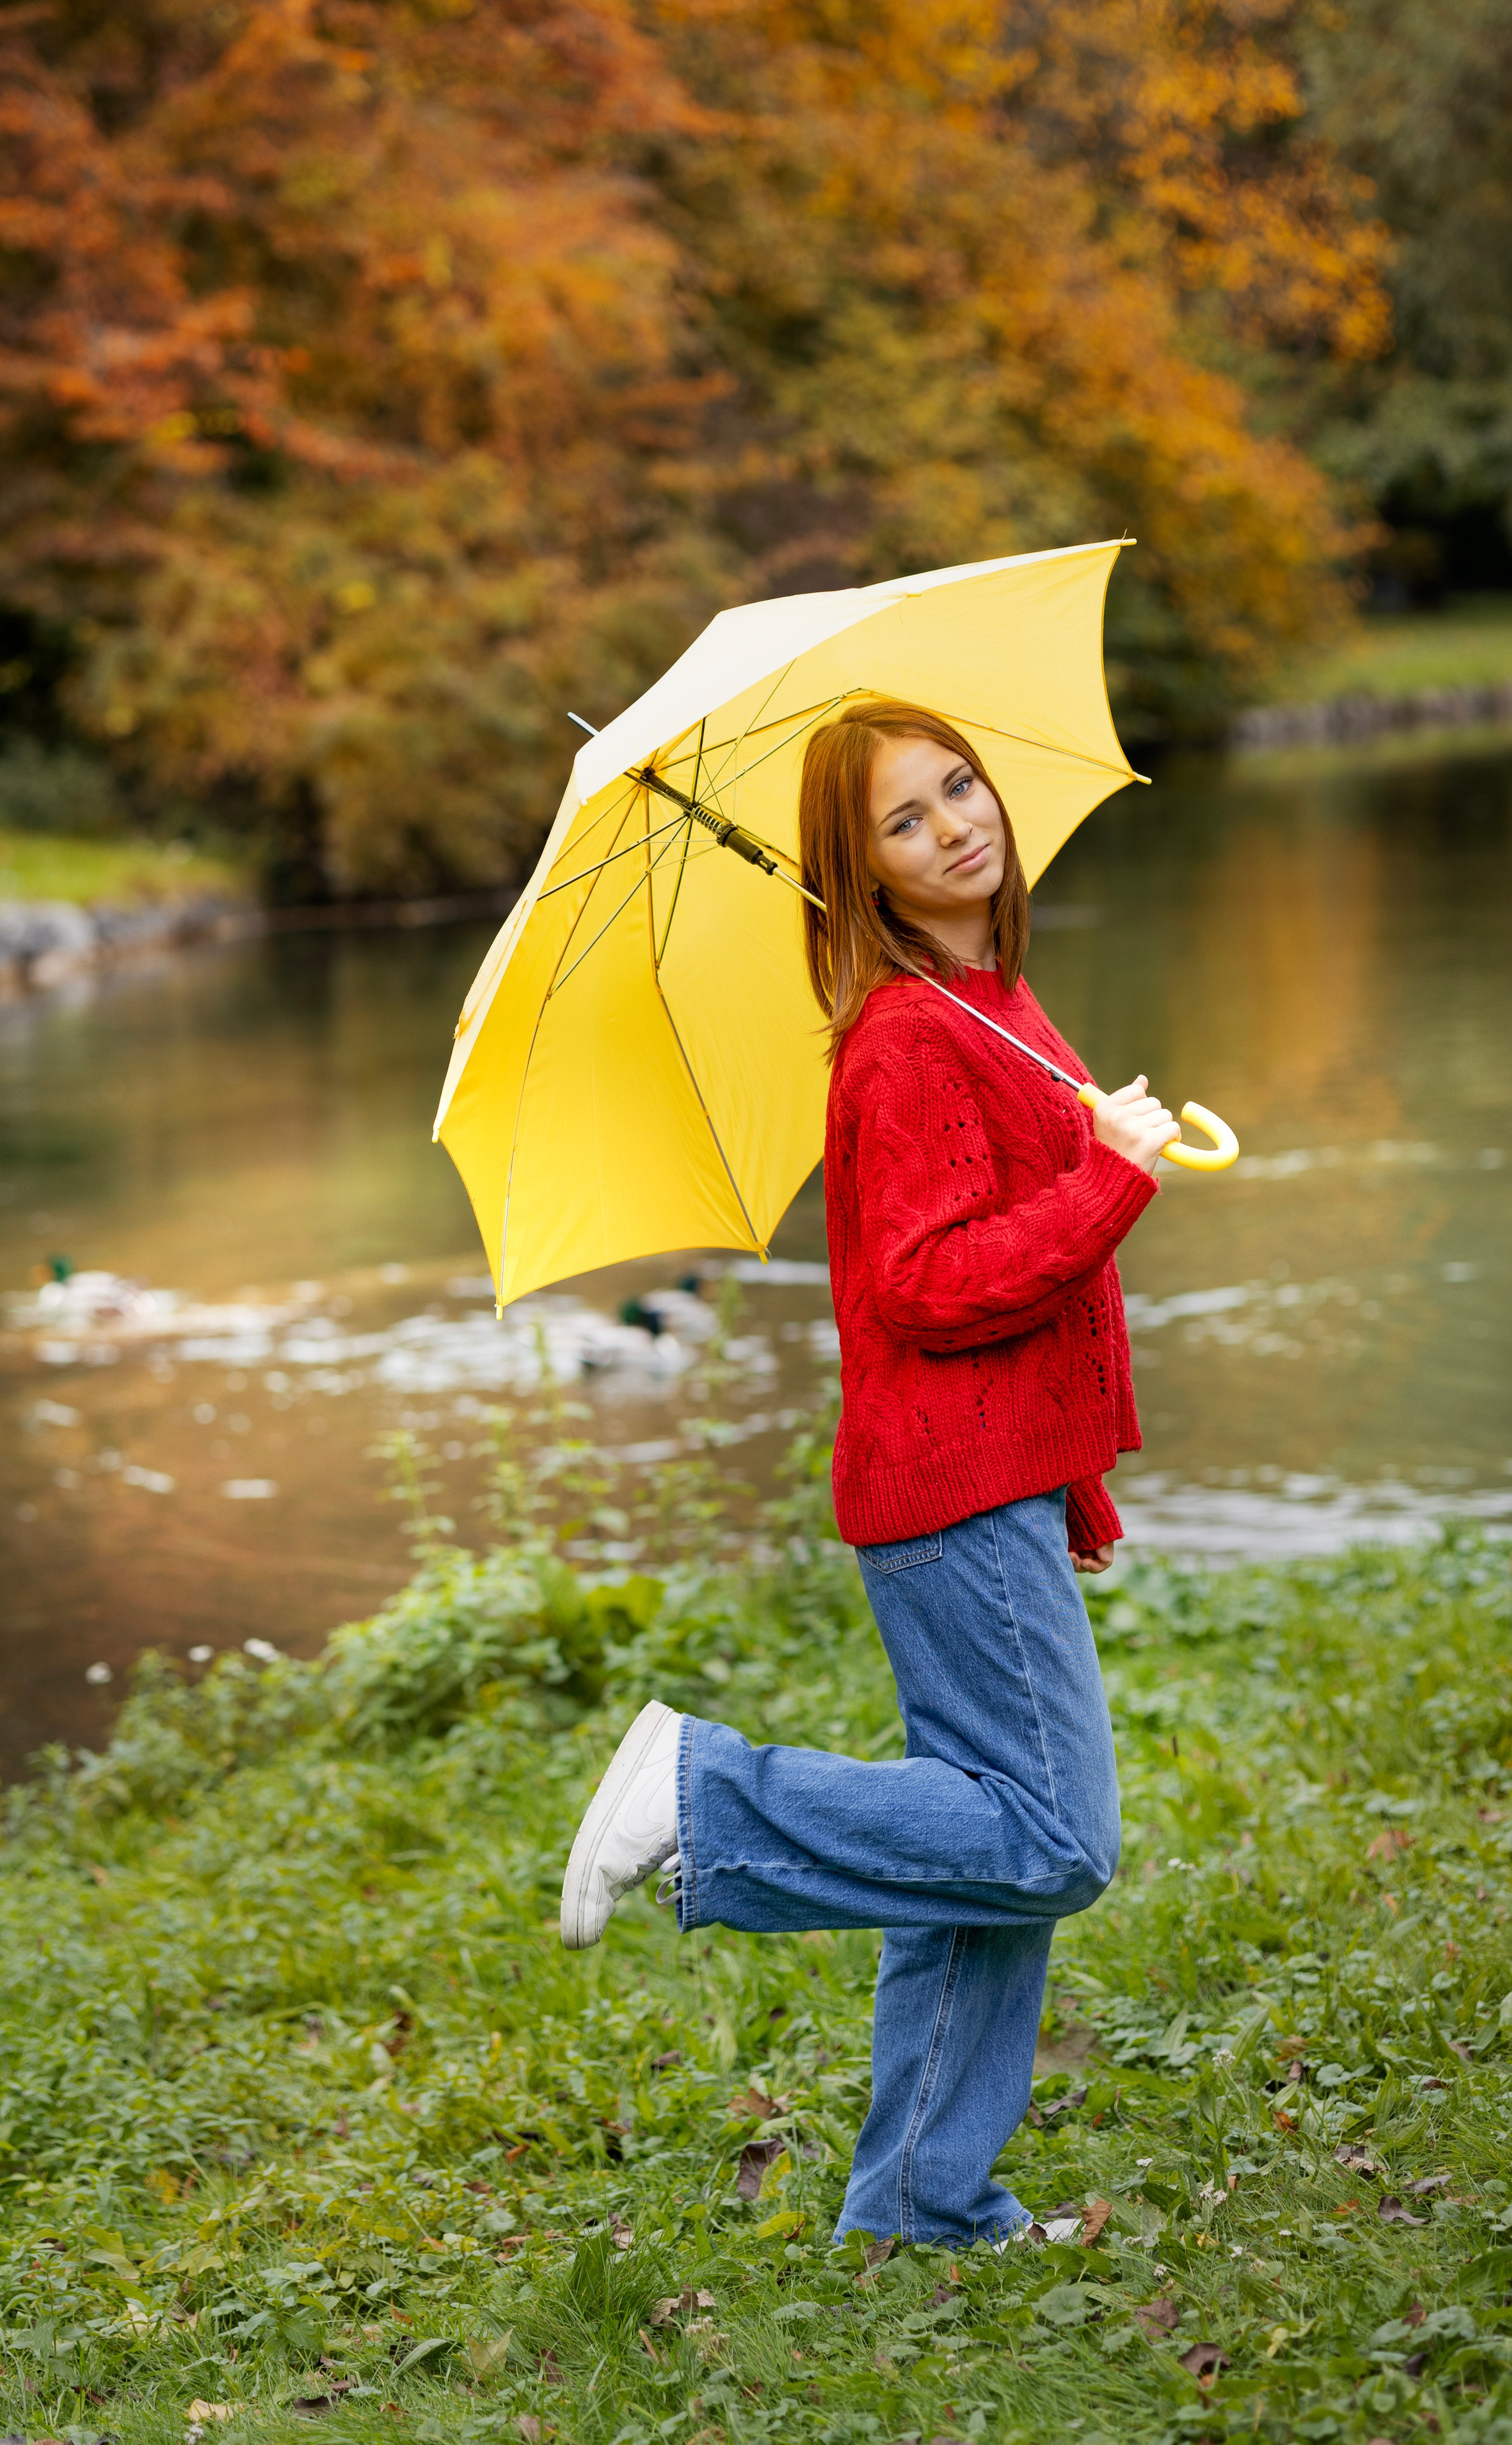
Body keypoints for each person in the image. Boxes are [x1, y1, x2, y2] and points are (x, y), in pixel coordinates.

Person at [558, 697, 1180, 2247]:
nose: (954, 825)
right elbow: (921, 1286)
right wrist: (1112, 1184)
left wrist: (1075, 1477)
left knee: (980, 1865)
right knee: (1049, 1841)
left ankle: (916, 2203)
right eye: (903, 822)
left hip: (994, 1485)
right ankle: (706, 1792)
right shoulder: (906, 1039)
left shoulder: (994, 999)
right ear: (864, 875)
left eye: (959, 786)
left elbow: (1034, 1308)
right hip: (944, 1497)